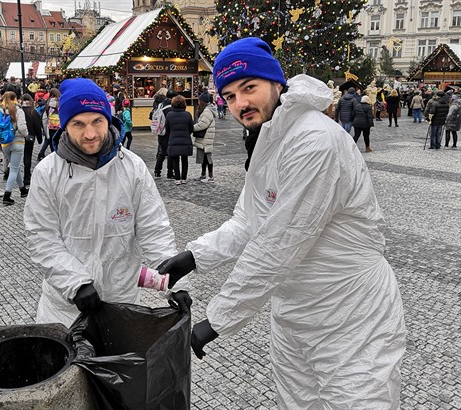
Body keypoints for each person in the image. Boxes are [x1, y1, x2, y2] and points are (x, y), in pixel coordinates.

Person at [157, 37, 405, 409]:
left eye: (249, 88)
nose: (240, 103)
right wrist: (193, 256)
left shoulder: (313, 140)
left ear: (276, 83)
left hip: (351, 314)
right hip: (296, 315)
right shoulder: (269, 139)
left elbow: (279, 244)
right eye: (229, 96)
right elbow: (248, 221)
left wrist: (217, 320)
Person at [23, 78, 192, 327]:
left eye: (97, 121)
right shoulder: (48, 173)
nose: (90, 133)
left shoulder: (132, 168)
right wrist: (75, 283)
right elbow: (42, 236)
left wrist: (174, 284)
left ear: (108, 119)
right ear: (65, 125)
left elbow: (153, 229)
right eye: (78, 124)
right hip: (65, 310)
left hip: (121, 303)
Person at [0, 91, 29, 204]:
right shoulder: (18, 111)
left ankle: (22, 189)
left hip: (5, 143)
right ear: (15, 98)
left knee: (15, 166)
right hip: (17, 142)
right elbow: (22, 127)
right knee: (14, 169)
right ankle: (7, 195)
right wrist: (26, 135)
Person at [165, 95, 193, 185]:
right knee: (185, 160)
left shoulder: (169, 115)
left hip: (174, 140)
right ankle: (184, 178)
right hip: (185, 139)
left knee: (175, 160)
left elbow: (167, 129)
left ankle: (177, 178)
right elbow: (191, 128)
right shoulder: (188, 115)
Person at [193, 92, 216, 182]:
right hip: (206, 137)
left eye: (200, 101)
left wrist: (192, 128)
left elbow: (203, 124)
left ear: (203, 101)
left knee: (207, 157)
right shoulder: (208, 109)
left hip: (206, 137)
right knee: (204, 157)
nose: (198, 102)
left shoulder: (207, 111)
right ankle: (203, 174)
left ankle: (210, 177)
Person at [20, 94, 43, 186]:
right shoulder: (33, 112)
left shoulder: (18, 111)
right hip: (30, 137)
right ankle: (27, 176)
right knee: (27, 156)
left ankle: (9, 173)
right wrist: (40, 138)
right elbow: (38, 126)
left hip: (18, 137)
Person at [153, 90, 176, 179]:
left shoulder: (161, 104)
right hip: (169, 132)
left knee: (161, 152)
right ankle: (170, 172)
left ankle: (157, 171)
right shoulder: (171, 108)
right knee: (170, 153)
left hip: (161, 132)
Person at [40, 87, 61, 157]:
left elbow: (45, 117)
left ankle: (54, 157)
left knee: (52, 143)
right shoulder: (61, 103)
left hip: (51, 127)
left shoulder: (48, 103)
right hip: (59, 127)